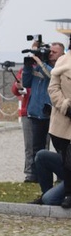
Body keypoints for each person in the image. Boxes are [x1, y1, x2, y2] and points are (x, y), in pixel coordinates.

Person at [22, 41, 64, 180]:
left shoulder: (61, 68)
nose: (50, 54)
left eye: (54, 52)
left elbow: (51, 75)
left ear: (62, 54)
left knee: (60, 148)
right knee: (37, 148)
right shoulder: (39, 67)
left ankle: (63, 176)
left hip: (55, 114)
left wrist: (40, 62)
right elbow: (26, 83)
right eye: (50, 51)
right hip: (37, 113)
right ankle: (36, 175)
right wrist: (28, 66)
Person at [47, 50, 71, 208]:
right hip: (62, 122)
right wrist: (65, 106)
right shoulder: (63, 61)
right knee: (66, 161)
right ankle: (64, 193)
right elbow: (53, 88)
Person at [11, 68, 35, 183]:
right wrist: (18, 86)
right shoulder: (24, 69)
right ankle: (30, 173)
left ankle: (43, 172)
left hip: (43, 112)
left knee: (43, 144)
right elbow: (15, 90)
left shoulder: (48, 67)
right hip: (27, 111)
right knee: (29, 145)